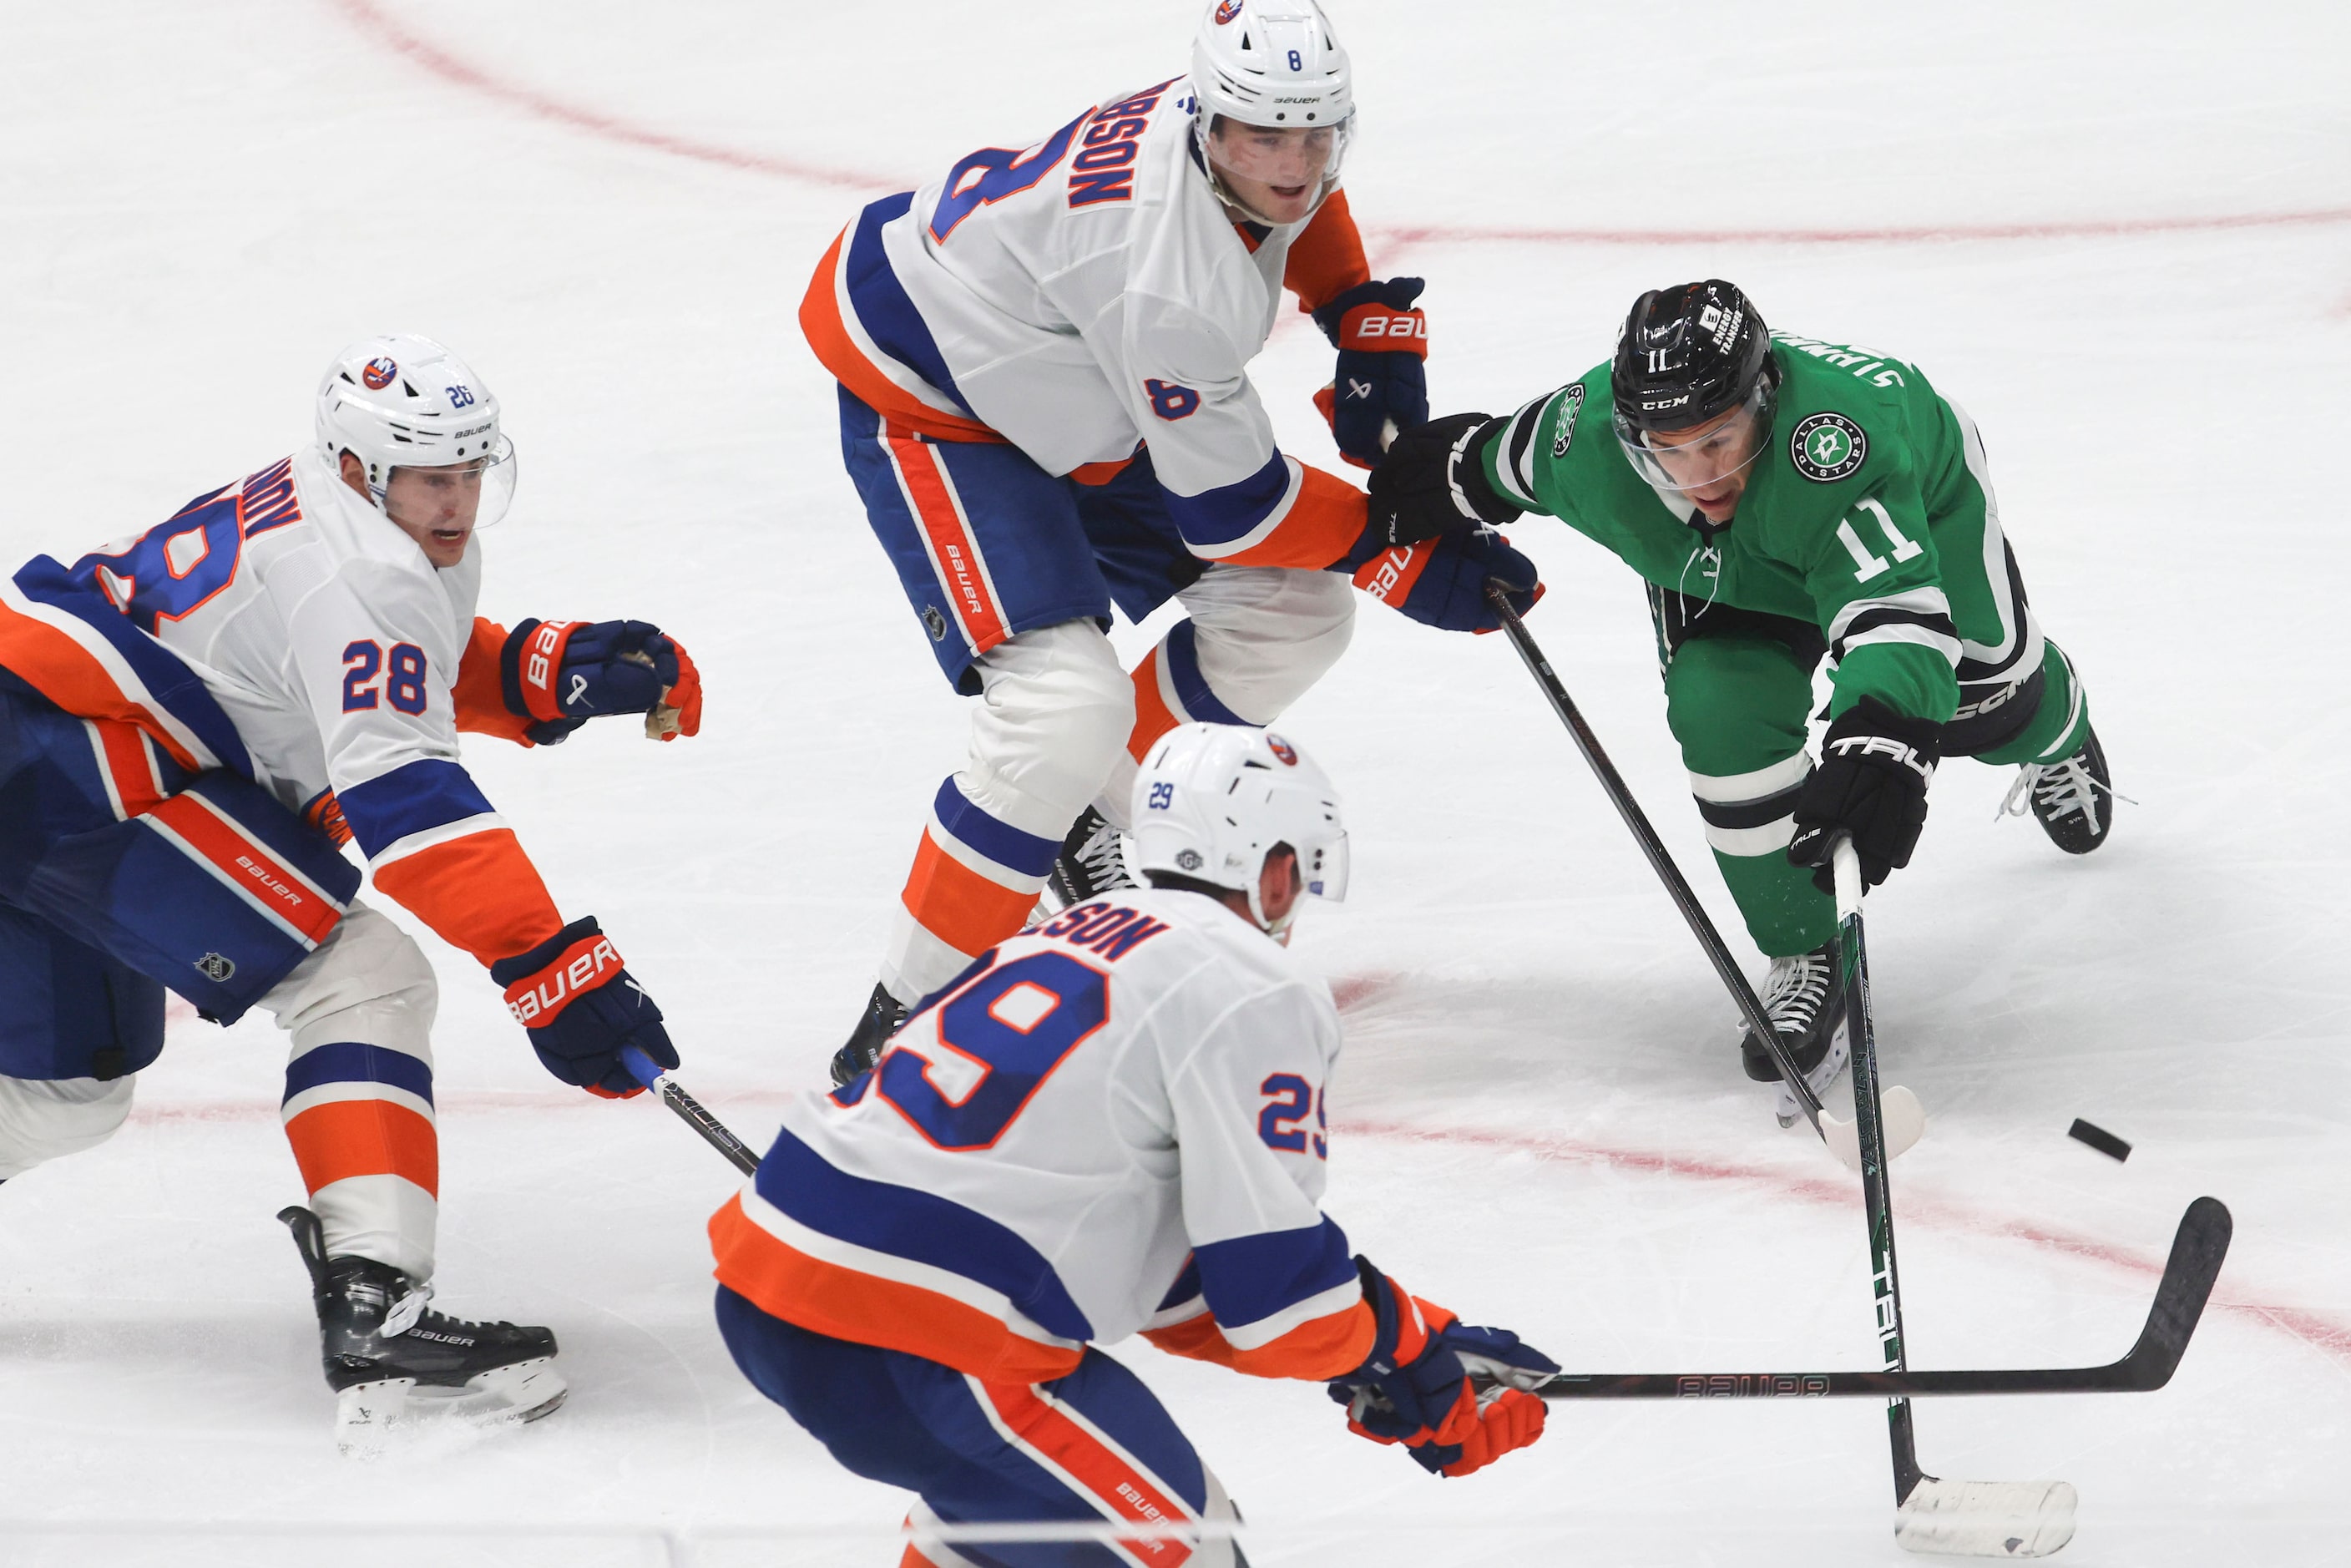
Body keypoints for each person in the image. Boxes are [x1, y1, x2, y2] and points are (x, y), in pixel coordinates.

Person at [802, 0, 1541, 1084]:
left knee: (1293, 609)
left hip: (1062, 366)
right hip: (937, 397)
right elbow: (1234, 509)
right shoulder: (1168, 282)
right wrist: (1402, 548)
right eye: (1269, 136)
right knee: (1060, 711)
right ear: (1211, 122)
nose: (1297, 164)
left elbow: (1297, 209)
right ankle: (902, 1024)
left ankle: (1081, 818)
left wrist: (1355, 307)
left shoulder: (1220, 133)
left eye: (1317, 131)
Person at [0, 332, 700, 1442]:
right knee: (361, 976)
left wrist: (528, 668)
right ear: (367, 471)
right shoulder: (365, 561)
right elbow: (404, 796)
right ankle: (376, 1301)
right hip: (80, 770)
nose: (459, 500)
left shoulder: (343, 512)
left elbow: (352, 657)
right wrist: (549, 966)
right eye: (434, 476)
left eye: (474, 470)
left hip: (40, 741)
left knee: (75, 1092)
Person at [710, 722, 1553, 1564]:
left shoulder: (1050, 937)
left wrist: (1395, 1342)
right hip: (926, 1335)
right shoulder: (1251, 982)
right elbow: (1273, 1301)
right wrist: (1401, 1354)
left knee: (1006, 1522)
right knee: (1185, 1548)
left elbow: (1162, 1279)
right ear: (1274, 869)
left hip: (772, 1285)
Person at [1372, 281, 2113, 1120]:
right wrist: (1424, 486)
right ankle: (1804, 952)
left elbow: (1894, 617)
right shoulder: (1582, 442)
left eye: (1719, 439)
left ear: (1761, 401)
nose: (1700, 475)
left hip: (1916, 505)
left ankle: (2062, 732)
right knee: (1716, 710)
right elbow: (1487, 462)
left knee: (1985, 699)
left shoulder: (1834, 446)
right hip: (1731, 576)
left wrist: (1880, 740)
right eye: (1669, 450)